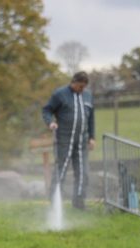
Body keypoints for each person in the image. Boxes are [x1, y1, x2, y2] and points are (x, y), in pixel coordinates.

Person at [42, 71, 96, 209]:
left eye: (84, 87)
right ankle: (55, 202)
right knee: (61, 170)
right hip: (64, 141)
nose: (81, 89)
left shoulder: (88, 96)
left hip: (81, 142)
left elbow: (91, 118)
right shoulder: (59, 94)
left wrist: (92, 137)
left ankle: (79, 203)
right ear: (73, 82)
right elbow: (47, 110)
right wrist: (50, 122)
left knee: (83, 173)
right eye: (79, 86)